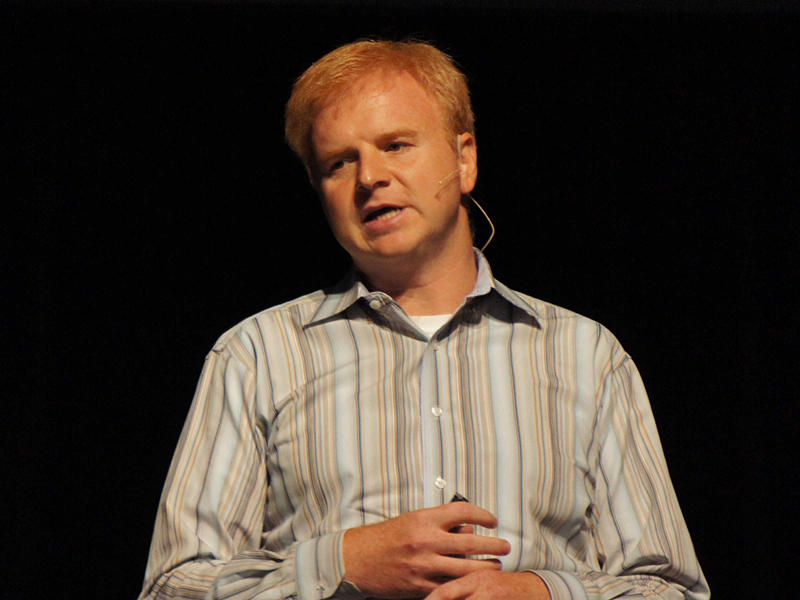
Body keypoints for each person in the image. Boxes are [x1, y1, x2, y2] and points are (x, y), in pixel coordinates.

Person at [138, 39, 709, 600]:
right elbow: (172, 587)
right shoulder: (258, 355)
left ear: (464, 160)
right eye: (339, 163)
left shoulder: (585, 355)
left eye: (396, 145)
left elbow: (670, 589)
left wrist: (537, 592)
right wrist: (340, 563)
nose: (369, 177)